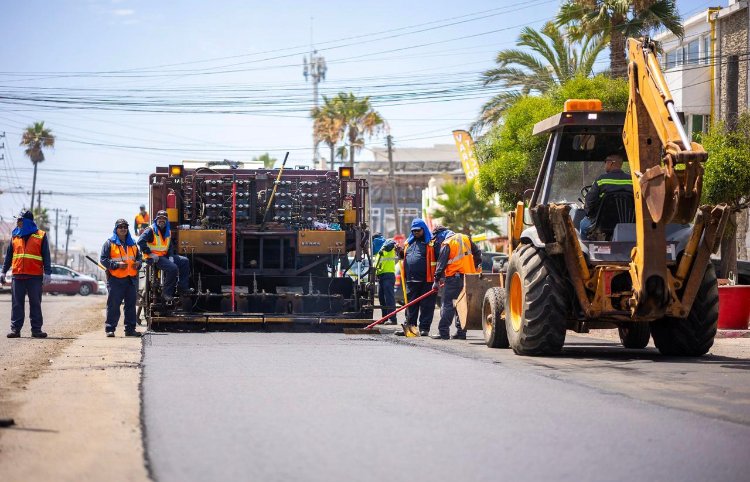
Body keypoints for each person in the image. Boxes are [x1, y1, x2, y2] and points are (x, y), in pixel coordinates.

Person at [2, 210, 52, 338]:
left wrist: (48, 272)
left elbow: (46, 255)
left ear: (27, 222)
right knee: (17, 304)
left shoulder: (41, 235)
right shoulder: (15, 236)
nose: (17, 222)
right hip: (17, 275)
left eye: (20, 220)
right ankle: (15, 330)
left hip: (34, 276)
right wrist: (3, 271)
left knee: (35, 303)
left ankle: (36, 330)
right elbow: (9, 256)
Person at [431, 232, 481, 340]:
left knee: (448, 305)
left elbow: (441, 263)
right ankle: (461, 332)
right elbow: (477, 253)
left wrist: (436, 280)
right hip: (468, 278)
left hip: (453, 278)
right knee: (462, 304)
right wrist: (475, 267)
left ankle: (443, 332)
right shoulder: (465, 238)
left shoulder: (447, 243)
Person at [100, 219, 142, 337]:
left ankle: (130, 330)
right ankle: (110, 329)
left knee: (130, 306)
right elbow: (103, 260)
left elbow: (139, 258)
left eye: (125, 227)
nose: (123, 229)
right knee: (113, 305)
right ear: (116, 229)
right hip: (116, 279)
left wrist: (138, 263)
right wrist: (116, 265)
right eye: (120, 227)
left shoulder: (133, 244)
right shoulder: (109, 243)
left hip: (131, 279)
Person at [396, 218, 437, 337]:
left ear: (423, 229)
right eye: (413, 231)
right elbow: (405, 256)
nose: (415, 233)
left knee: (426, 306)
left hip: (427, 280)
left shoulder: (431, 244)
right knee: (411, 306)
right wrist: (400, 252)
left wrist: (438, 278)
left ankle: (424, 328)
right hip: (411, 280)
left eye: (418, 231)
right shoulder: (409, 243)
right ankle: (410, 329)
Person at [137, 210, 190, 302]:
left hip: (164, 256)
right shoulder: (151, 230)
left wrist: (171, 256)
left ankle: (182, 287)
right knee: (173, 268)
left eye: (164, 219)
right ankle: (166, 293)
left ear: (166, 220)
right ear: (156, 220)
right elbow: (140, 241)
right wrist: (150, 254)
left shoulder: (167, 231)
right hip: (153, 258)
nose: (161, 220)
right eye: (159, 218)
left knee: (184, 261)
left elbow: (168, 245)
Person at [578, 153, 633, 239]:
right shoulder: (632, 180)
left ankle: (586, 250)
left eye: (606, 162)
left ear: (611, 163)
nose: (605, 164)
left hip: (603, 224)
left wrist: (589, 213)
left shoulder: (601, 180)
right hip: (628, 223)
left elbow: (589, 201)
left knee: (583, 225)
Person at [374, 237, 398, 325]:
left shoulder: (387, 246)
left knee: (389, 298)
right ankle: (385, 318)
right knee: (381, 298)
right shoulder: (378, 253)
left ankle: (392, 319)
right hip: (381, 277)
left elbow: (392, 242)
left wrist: (385, 246)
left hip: (388, 275)